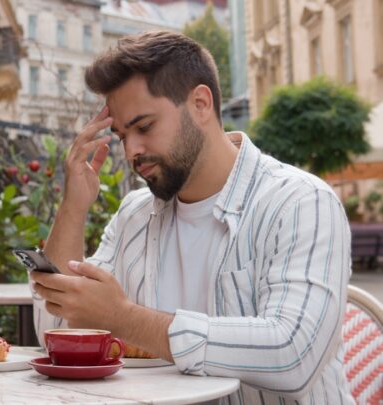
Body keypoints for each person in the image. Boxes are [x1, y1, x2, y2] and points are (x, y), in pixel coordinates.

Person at [31, 31, 354, 404]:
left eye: (145, 127)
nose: (131, 150)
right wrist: (73, 206)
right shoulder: (134, 215)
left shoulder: (299, 202)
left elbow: (293, 356)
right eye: (121, 135)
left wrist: (124, 318)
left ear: (201, 104)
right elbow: (58, 333)